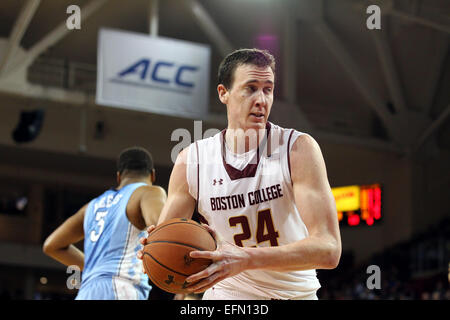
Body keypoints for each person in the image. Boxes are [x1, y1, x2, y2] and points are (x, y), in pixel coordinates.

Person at [138, 48, 341, 300]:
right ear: (224, 93)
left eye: (268, 89)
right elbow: (167, 244)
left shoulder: (298, 149)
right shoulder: (192, 160)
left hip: (293, 294)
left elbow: (329, 249)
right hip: (227, 292)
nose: (261, 99)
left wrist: (245, 258)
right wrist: (152, 249)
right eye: (251, 88)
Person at [43, 146, 167, 300]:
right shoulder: (149, 192)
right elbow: (163, 233)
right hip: (121, 288)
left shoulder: (91, 206)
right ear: (153, 175)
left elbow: (51, 246)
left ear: (119, 176)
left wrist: (93, 268)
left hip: (86, 292)